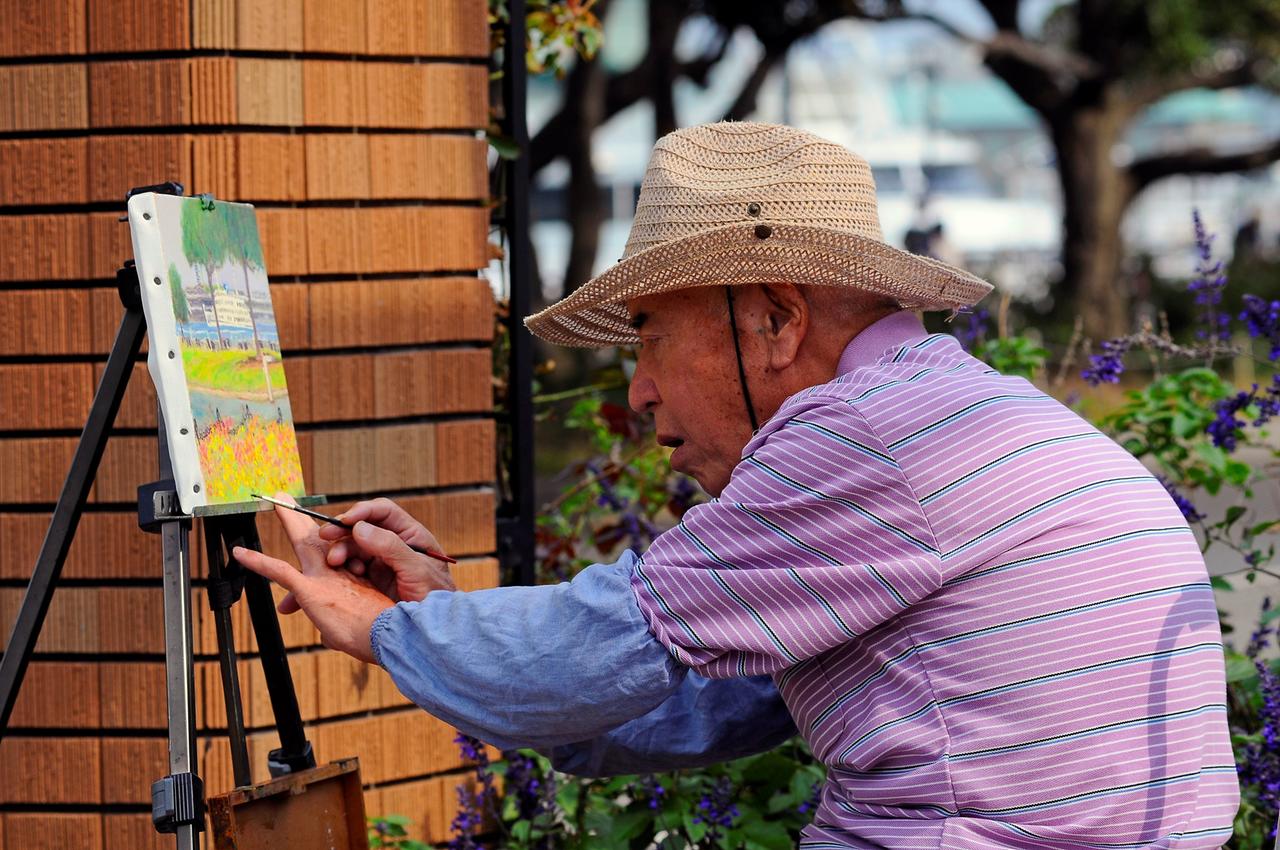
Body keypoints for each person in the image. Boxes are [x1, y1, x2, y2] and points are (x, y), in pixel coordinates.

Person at [237, 122, 1238, 847]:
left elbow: (607, 645)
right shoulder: (954, 411)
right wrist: (441, 612)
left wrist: (374, 624)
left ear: (772, 318)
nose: (635, 390)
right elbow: (688, 699)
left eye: (651, 338)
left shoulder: (860, 438)